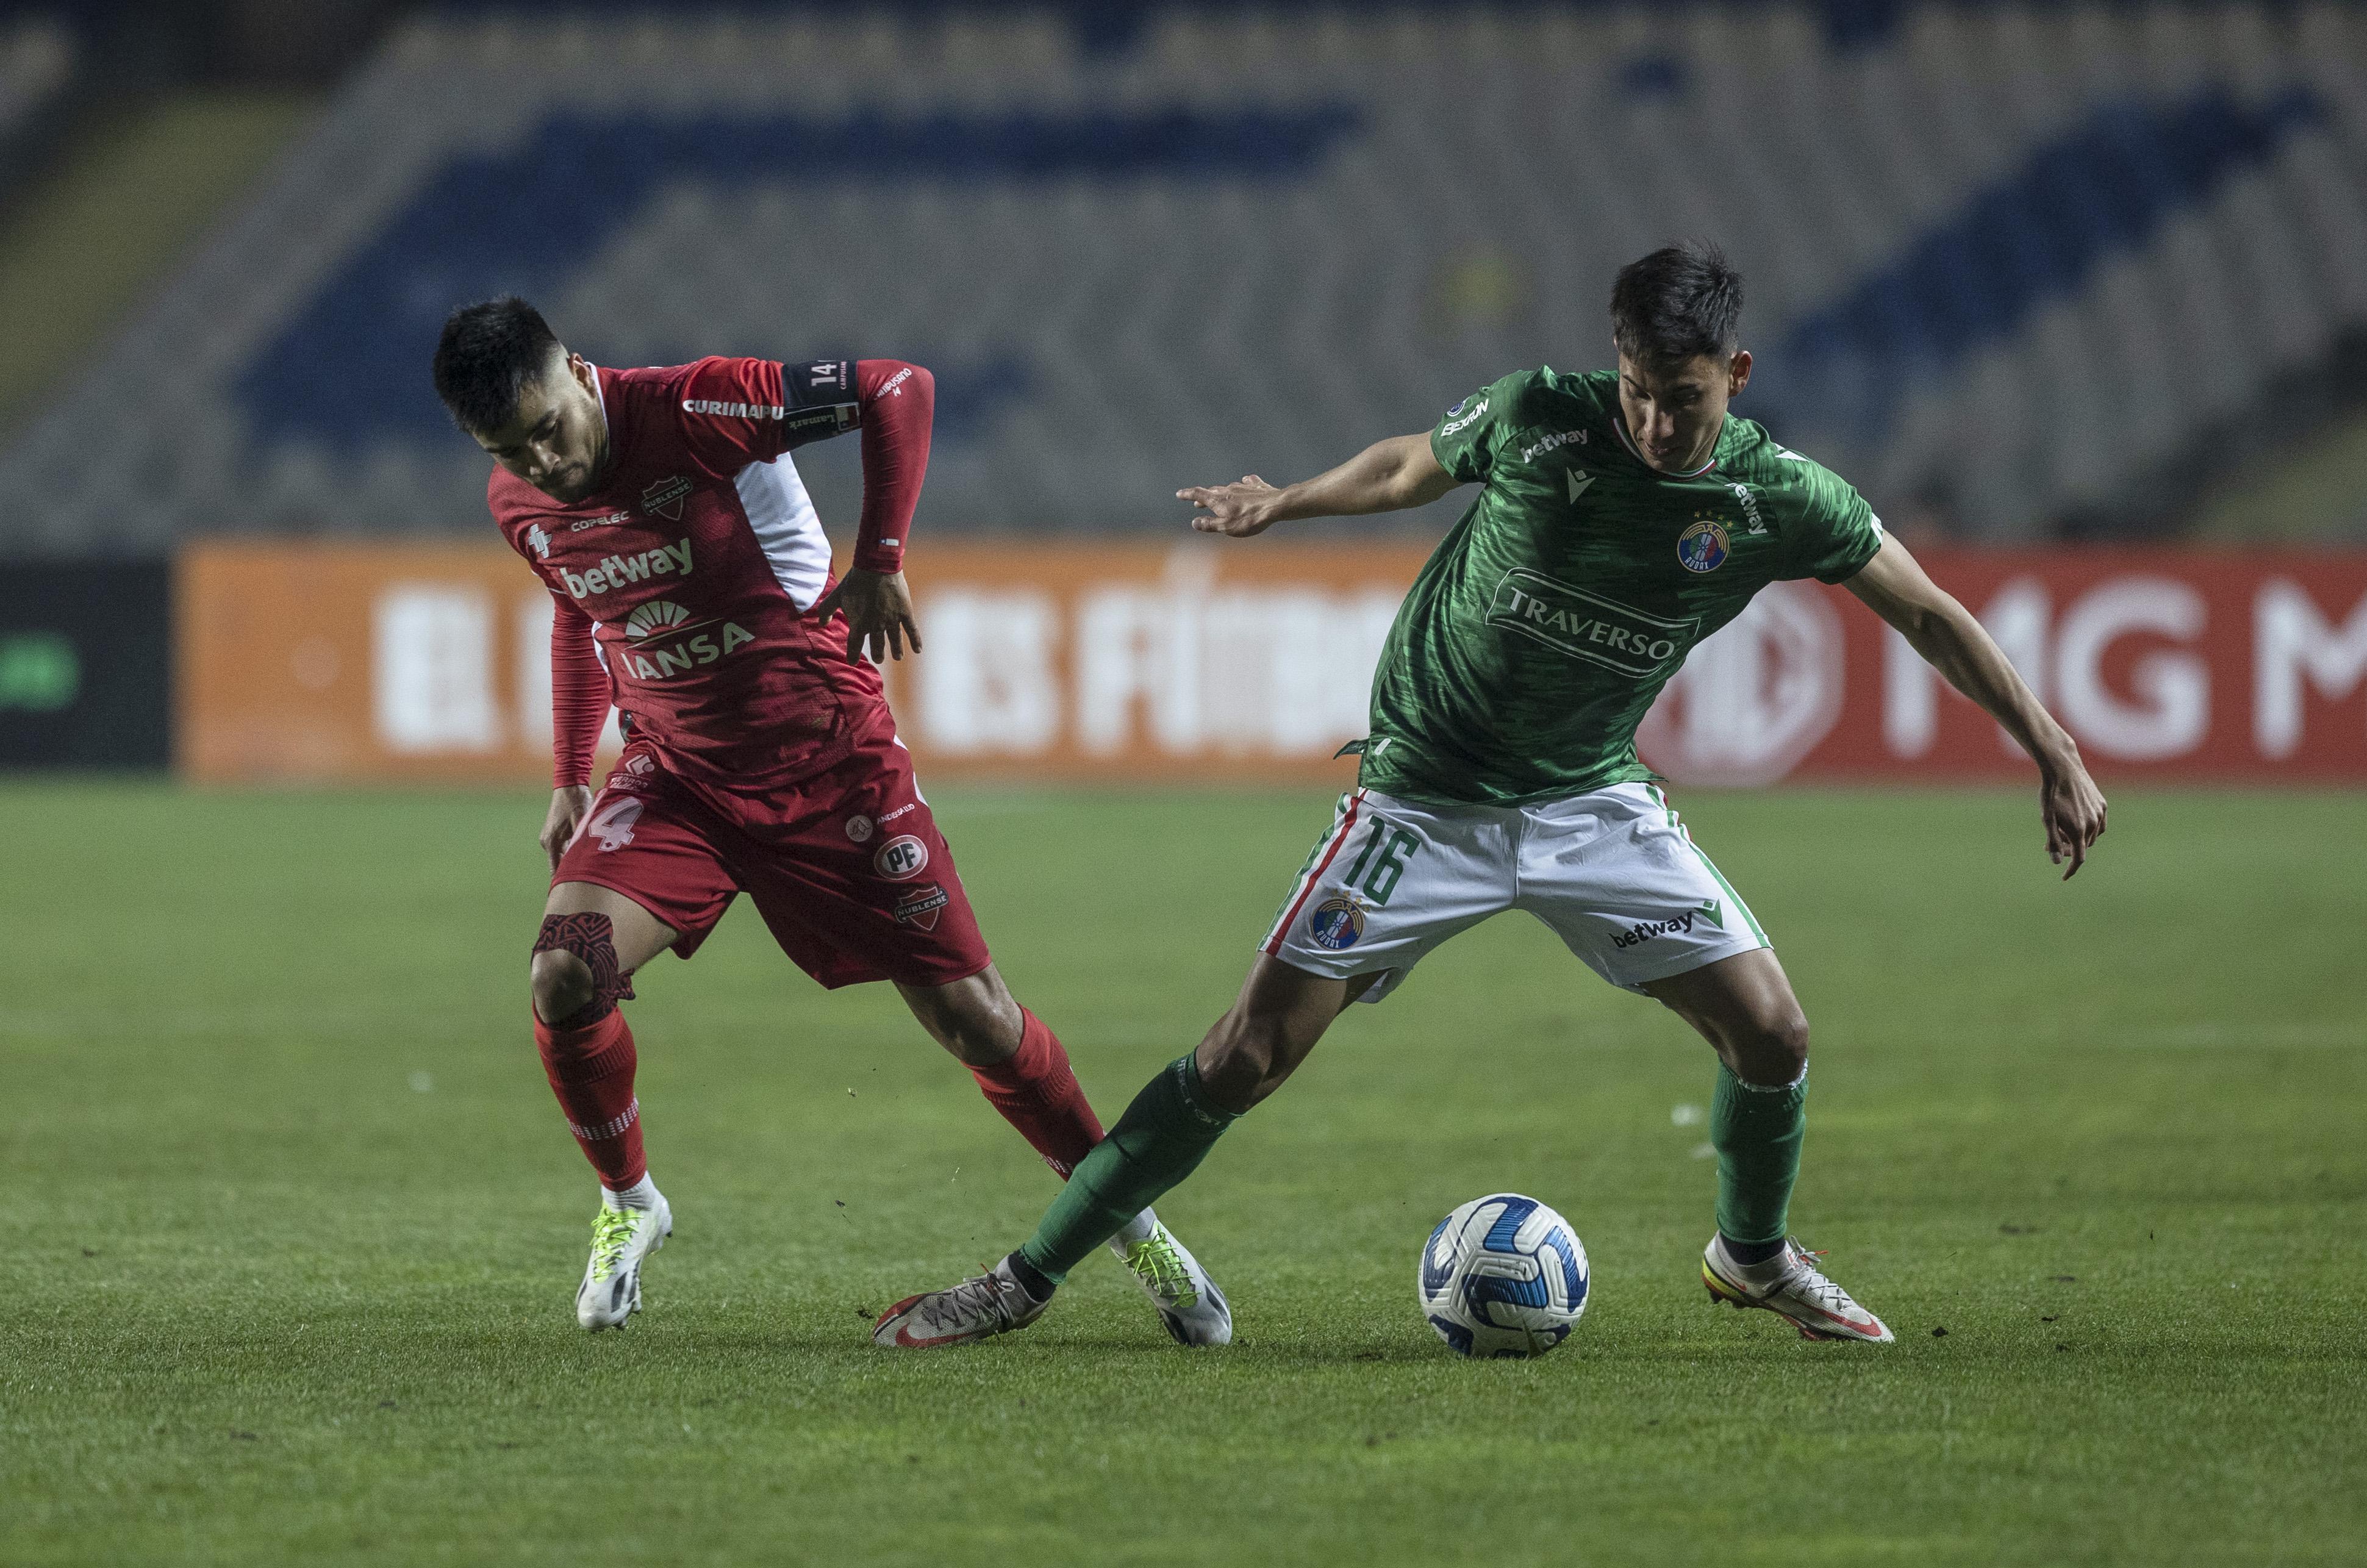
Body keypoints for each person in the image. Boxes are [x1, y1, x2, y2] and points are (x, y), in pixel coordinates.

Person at [872, 243, 2106, 1349]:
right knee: (1244, 1054)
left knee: (1773, 1033)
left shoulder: (1779, 498)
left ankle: (1755, 1255)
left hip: (1590, 805)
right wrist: (1288, 499)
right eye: (1636, 391)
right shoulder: (1540, 419)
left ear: (1736, 372)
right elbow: (1413, 462)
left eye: (1682, 402)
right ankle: (1023, 1281)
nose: (1655, 424)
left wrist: (2048, 745)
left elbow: (1930, 613)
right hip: (1424, 801)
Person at [431, 297, 1228, 1341]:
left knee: (975, 1018)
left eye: (549, 427)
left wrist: (882, 557)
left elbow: (899, 386)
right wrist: (571, 770)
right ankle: (631, 1204)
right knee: (566, 969)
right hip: (677, 778)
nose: (545, 460)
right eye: (511, 449)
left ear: (578, 371)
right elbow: (579, 610)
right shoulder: (518, 502)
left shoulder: (695, 405)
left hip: (827, 762)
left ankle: (1129, 1221)